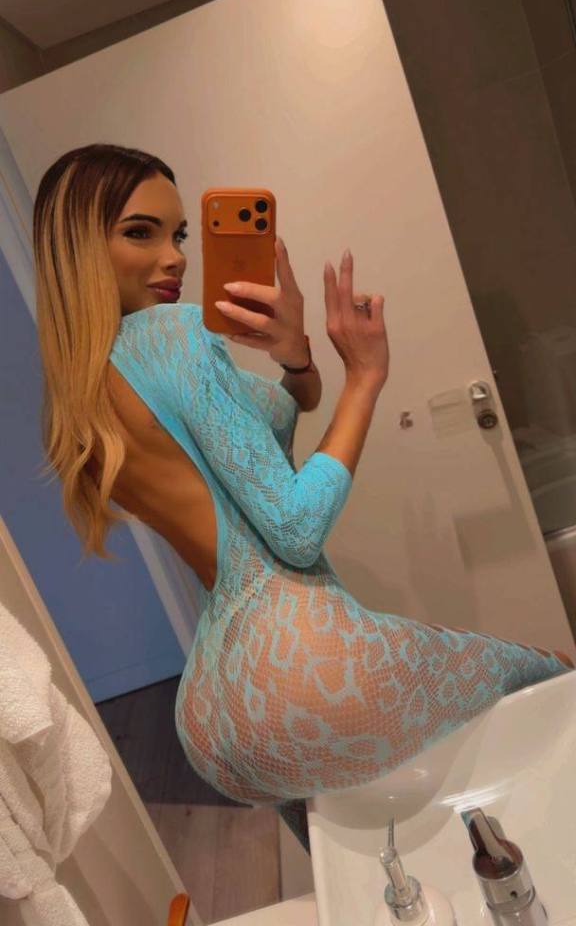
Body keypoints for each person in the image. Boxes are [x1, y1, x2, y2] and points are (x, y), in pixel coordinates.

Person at [32, 143, 574, 856]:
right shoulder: (175, 337)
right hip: (306, 666)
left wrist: (296, 355)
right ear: (77, 246)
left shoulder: (84, 392)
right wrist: (366, 377)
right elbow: (293, 526)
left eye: (180, 234)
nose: (175, 258)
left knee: (365, 860)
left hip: (216, 712)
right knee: (552, 676)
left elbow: (282, 421)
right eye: (140, 232)